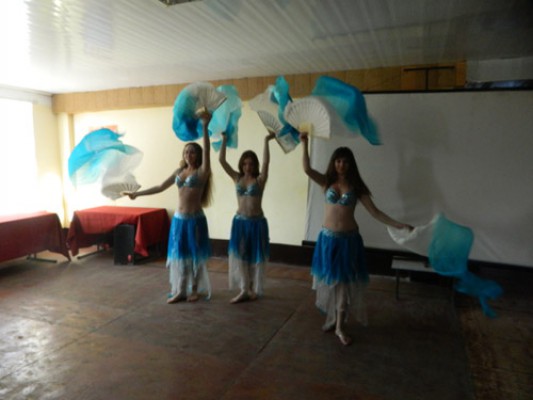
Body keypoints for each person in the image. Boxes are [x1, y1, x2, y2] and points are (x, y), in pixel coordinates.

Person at [300, 132, 412, 346]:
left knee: (343, 285)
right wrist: (304, 143)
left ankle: (340, 327)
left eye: (345, 161)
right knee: (331, 283)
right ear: (334, 163)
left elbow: (375, 212)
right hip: (327, 240)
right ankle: (333, 319)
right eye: (338, 161)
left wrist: (399, 224)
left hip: (348, 242)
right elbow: (306, 169)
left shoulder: (357, 188)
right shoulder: (326, 183)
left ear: (351, 164)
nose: (341, 165)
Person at [126, 112, 213, 303]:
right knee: (179, 255)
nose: (189, 154)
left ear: (198, 155)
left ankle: (194, 289)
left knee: (195, 255)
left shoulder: (202, 172)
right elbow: (160, 187)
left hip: (195, 219)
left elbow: (207, 151)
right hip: (179, 220)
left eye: (192, 151)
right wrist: (137, 194)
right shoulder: (179, 172)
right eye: (186, 152)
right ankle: (180, 289)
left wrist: (205, 126)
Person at [219, 130, 276, 303]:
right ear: (241, 165)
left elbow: (266, 162)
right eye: (244, 164)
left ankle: (251, 287)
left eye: (251, 164)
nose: (247, 167)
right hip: (240, 223)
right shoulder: (237, 178)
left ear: (255, 165)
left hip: (257, 223)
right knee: (241, 255)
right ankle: (244, 288)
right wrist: (224, 140)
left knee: (254, 256)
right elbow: (222, 161)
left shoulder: (260, 180)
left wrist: (266, 141)